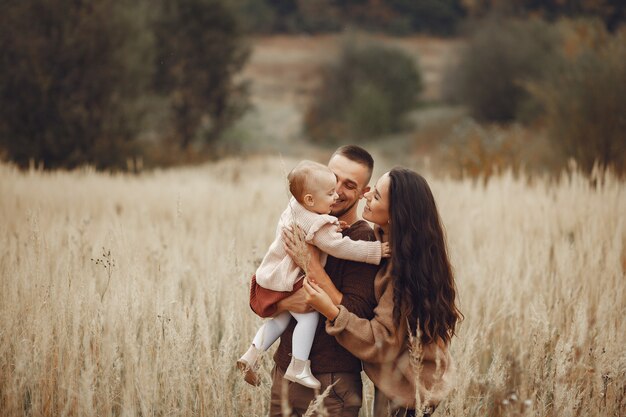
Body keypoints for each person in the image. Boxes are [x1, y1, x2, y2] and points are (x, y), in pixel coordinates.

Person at [290, 168, 463, 416]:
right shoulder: (390, 244)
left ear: (396, 215)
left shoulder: (405, 268)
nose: (366, 196)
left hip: (410, 395)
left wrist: (329, 309)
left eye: (377, 196)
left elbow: (383, 341)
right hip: (397, 385)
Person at [237, 160, 389, 390]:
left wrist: (308, 268)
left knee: (282, 319)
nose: (337, 192)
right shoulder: (317, 222)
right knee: (305, 317)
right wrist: (376, 251)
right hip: (283, 371)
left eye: (349, 185)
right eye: (333, 181)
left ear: (363, 193)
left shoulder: (297, 207)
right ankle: (298, 366)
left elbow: (355, 313)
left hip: (331, 378)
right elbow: (339, 246)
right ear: (309, 196)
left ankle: (251, 355)